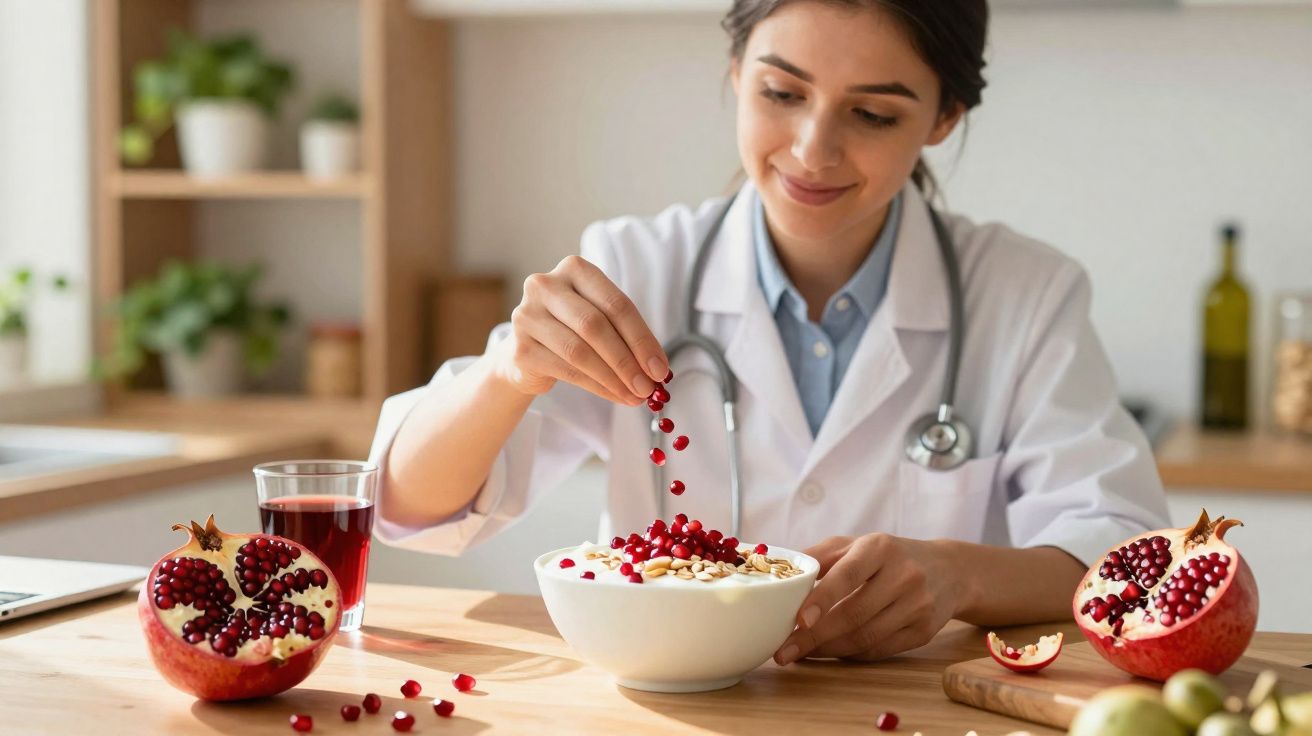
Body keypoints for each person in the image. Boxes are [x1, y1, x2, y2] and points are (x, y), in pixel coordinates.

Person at [367, 0, 1168, 666]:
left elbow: (1129, 554)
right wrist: (508, 373)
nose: (813, 150)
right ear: (735, 72)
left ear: (943, 118)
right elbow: (404, 505)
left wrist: (962, 575)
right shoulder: (637, 267)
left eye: (873, 113)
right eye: (782, 93)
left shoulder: (1024, 294)